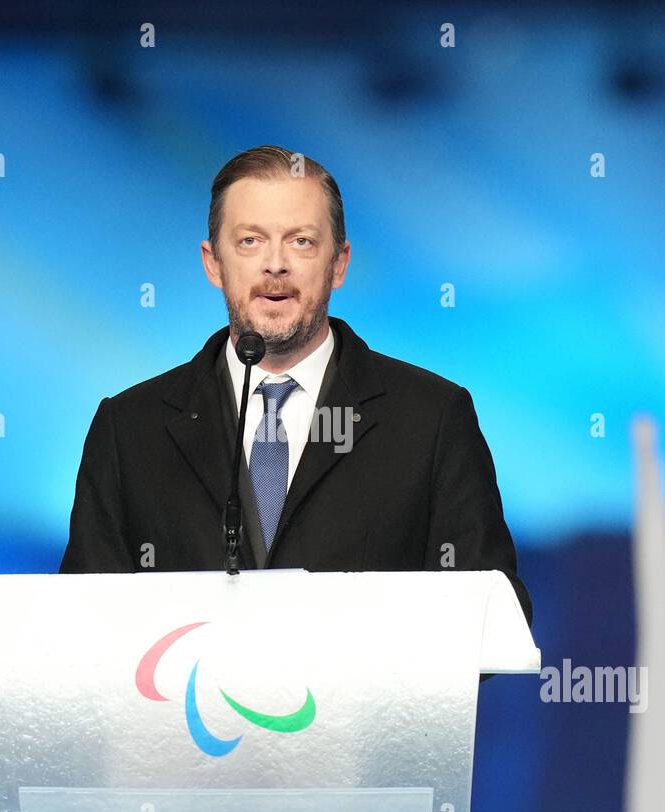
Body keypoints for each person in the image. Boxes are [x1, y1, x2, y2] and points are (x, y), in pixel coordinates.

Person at [59, 145, 533, 645]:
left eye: (302, 242)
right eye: (249, 241)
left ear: (339, 264)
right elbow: (84, 628)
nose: (275, 265)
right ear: (213, 263)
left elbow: (494, 616)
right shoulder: (131, 428)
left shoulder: (430, 419)